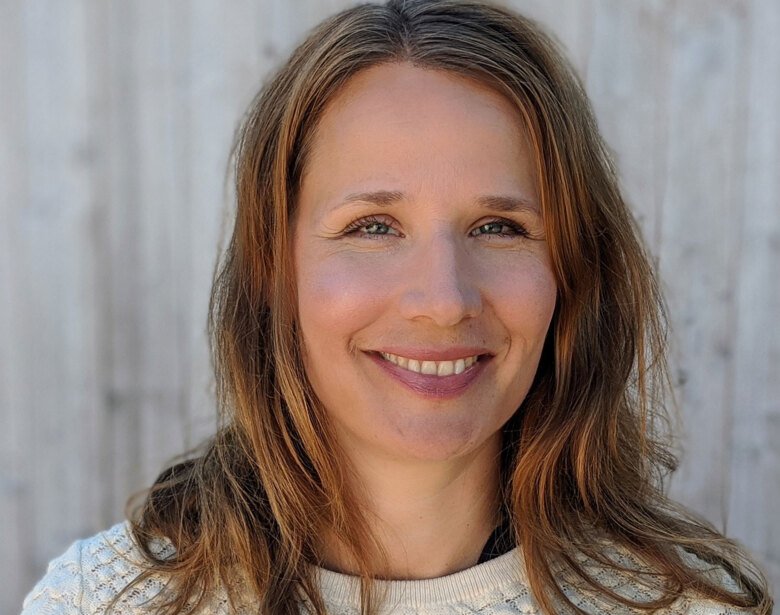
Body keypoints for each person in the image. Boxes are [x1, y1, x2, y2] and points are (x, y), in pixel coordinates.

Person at [21, 0, 773, 613]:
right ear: (274, 269)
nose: (443, 300)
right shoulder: (104, 601)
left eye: (499, 226)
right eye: (373, 227)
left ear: (571, 272)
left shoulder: (689, 606)